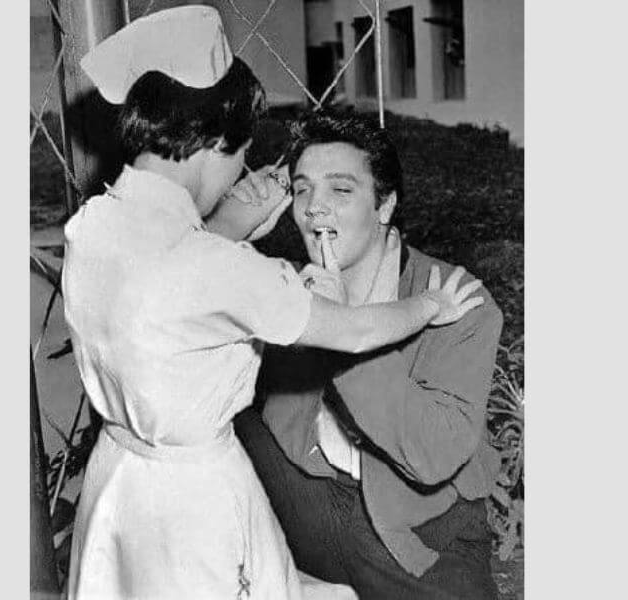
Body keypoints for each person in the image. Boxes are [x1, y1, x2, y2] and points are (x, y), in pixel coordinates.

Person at [62, 7, 484, 599]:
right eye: (238, 155)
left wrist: (229, 224)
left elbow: (161, 291)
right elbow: (350, 331)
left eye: (341, 190)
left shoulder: (96, 225)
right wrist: (426, 309)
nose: (240, 173)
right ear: (212, 140)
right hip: (193, 507)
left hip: (122, 484)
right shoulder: (223, 271)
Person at [235, 112, 504, 599]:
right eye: (301, 190)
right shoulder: (289, 292)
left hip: (420, 536)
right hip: (308, 507)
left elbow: (431, 454)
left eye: (341, 190)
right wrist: (230, 229)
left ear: (385, 206)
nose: (315, 208)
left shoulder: (457, 299)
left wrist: (343, 325)